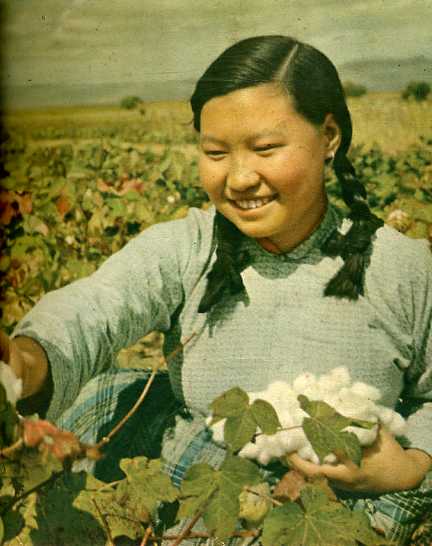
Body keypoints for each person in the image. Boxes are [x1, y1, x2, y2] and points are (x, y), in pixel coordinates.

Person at [1, 35, 432, 545]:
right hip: (193, 514)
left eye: (265, 149)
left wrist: (410, 465)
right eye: (215, 153)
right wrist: (24, 361)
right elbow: (95, 308)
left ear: (329, 136)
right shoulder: (188, 248)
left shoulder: (402, 268)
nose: (240, 178)